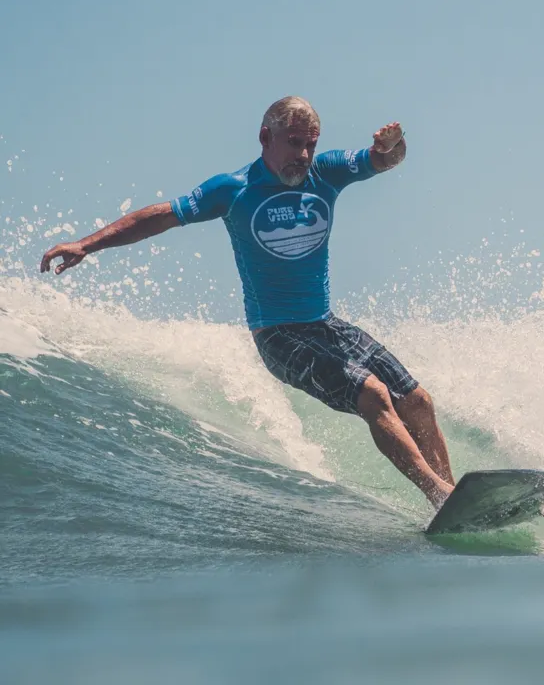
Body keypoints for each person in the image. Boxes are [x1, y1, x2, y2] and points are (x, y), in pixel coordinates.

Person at [40, 96, 456, 507]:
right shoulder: (233, 189)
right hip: (277, 335)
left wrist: (391, 148)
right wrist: (86, 245)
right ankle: (437, 494)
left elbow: (380, 160)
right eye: (295, 143)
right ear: (265, 137)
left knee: (417, 401)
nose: (305, 155)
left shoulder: (326, 173)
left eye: (311, 144)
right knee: (374, 395)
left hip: (325, 324)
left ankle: (455, 497)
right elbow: (159, 217)